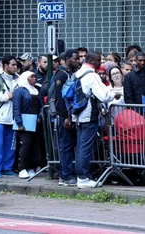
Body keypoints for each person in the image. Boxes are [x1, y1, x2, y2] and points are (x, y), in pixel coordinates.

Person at [74, 51, 119, 188]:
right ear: (92, 61)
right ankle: (83, 178)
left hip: (78, 114)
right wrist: (113, 93)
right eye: (99, 61)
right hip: (89, 115)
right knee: (85, 147)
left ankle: (81, 176)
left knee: (81, 147)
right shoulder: (92, 76)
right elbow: (104, 96)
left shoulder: (78, 73)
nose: (101, 63)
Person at [53, 49, 79, 186]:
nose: (78, 61)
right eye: (75, 58)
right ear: (68, 59)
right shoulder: (62, 75)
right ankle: (65, 175)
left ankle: (69, 172)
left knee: (70, 146)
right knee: (66, 147)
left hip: (71, 116)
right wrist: (66, 117)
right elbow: (60, 98)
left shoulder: (71, 74)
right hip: (64, 117)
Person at [13, 71, 42, 179]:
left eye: (35, 77)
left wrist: (39, 117)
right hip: (24, 122)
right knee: (25, 144)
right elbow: (16, 108)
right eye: (31, 77)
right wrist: (19, 122)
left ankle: (31, 167)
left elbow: (40, 106)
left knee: (34, 145)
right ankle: (23, 168)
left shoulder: (37, 90)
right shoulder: (19, 91)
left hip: (35, 122)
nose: (34, 79)